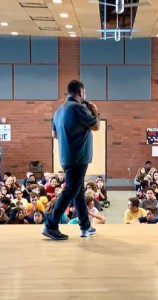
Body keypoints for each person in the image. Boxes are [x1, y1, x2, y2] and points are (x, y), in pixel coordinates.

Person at [43, 80, 100, 240]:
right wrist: (95, 111)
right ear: (81, 92)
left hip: (66, 156)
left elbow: (55, 135)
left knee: (78, 191)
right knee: (71, 190)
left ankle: (85, 226)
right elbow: (96, 126)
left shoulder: (59, 111)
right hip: (78, 156)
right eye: (85, 93)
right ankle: (51, 225)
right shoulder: (78, 108)